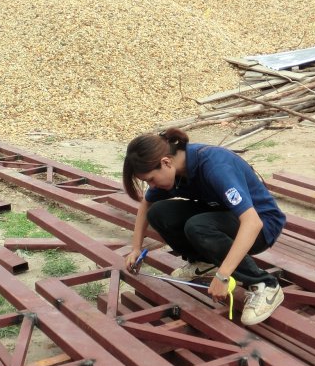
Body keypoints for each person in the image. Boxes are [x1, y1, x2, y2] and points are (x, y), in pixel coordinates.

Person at [122, 128, 286, 325]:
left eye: (150, 180)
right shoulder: (176, 170)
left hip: (262, 225)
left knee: (198, 226)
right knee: (159, 212)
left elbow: (252, 222)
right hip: (226, 216)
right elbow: (146, 205)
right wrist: (136, 248)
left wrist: (223, 276)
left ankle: (265, 284)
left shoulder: (215, 166)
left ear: (166, 162)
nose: (152, 186)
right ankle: (203, 263)